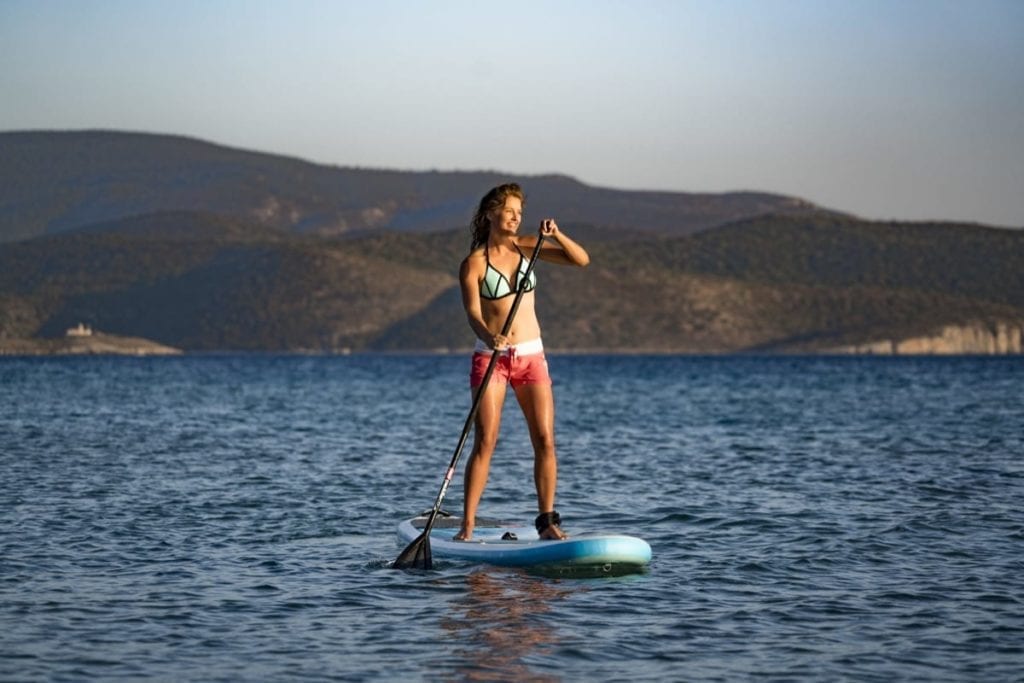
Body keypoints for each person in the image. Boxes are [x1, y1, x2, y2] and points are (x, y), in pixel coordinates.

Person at [454, 183, 590, 541]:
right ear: (490, 215)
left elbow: (581, 260)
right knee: (486, 440)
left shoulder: (530, 246)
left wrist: (557, 234)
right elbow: (472, 313)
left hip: (532, 357)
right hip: (492, 359)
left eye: (520, 212)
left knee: (544, 439)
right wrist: (488, 336)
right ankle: (467, 524)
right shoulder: (474, 264)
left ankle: (547, 522)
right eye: (510, 210)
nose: (516, 217)